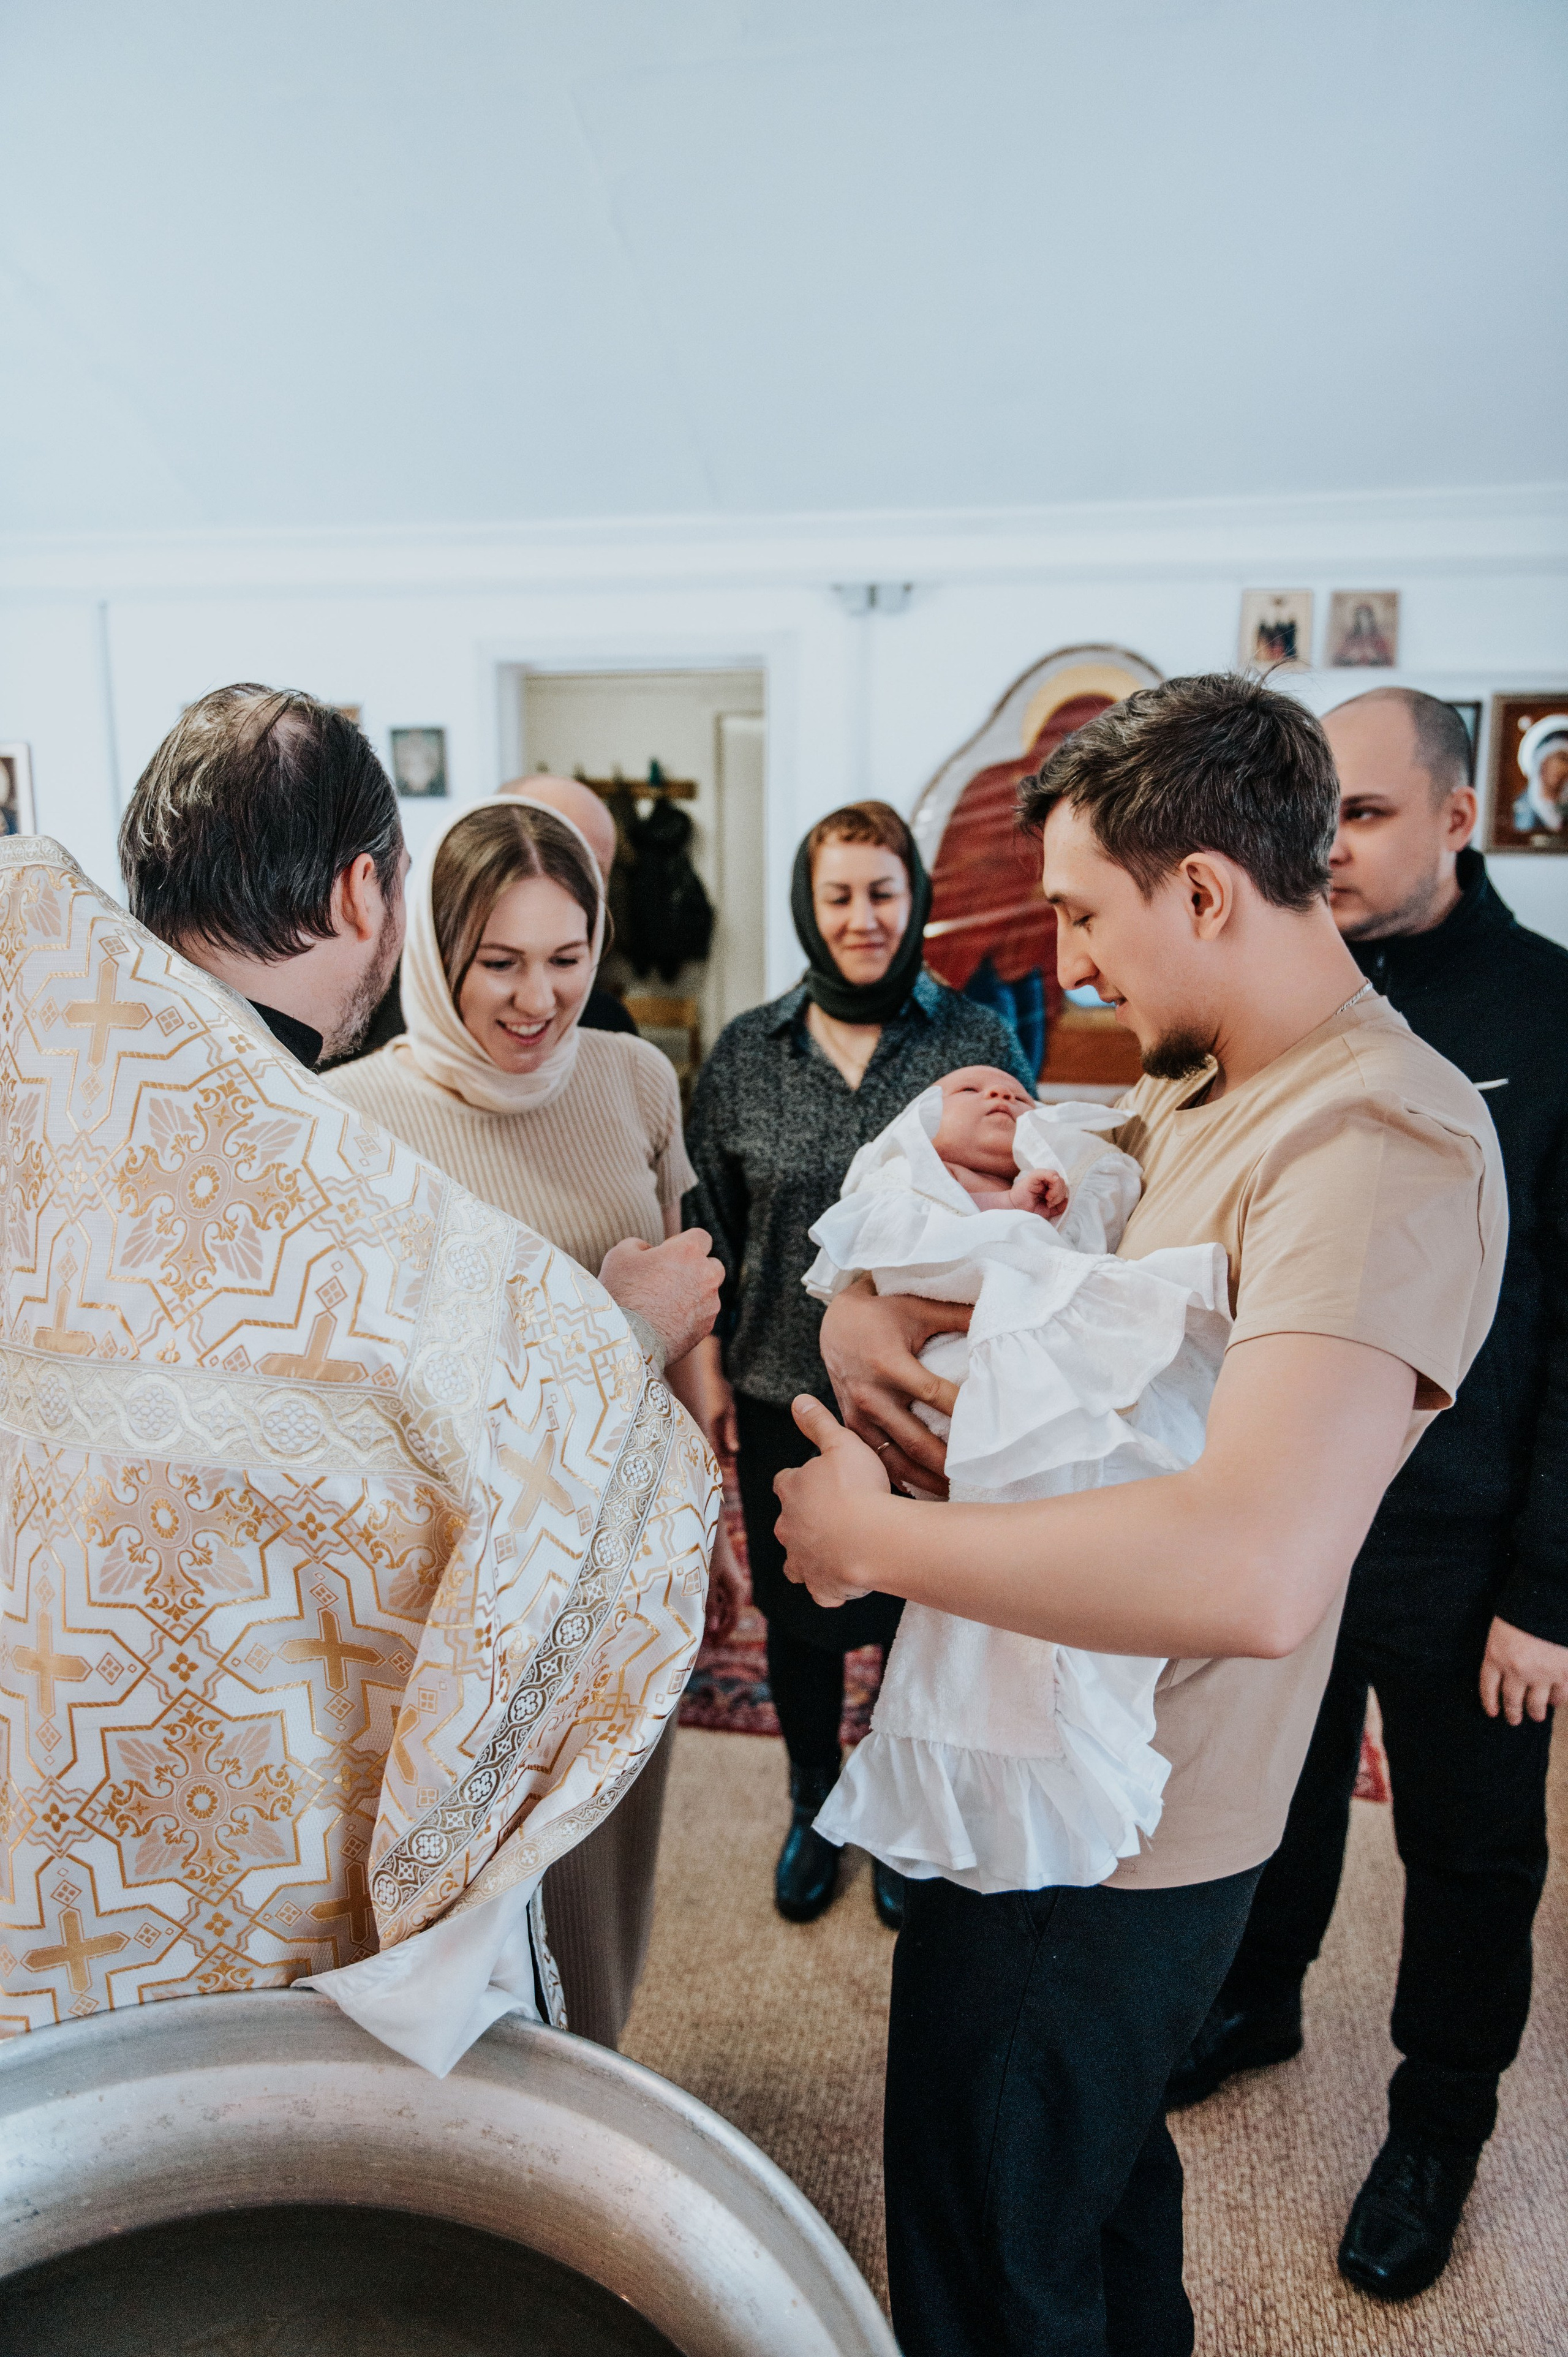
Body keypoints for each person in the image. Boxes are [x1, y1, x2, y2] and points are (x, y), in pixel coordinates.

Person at [771, 676, 1506, 2357]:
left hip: (1125, 1815)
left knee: (991, 2247)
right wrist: (863, 1316)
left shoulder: (1375, 1143)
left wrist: (872, 1543)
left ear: (1203, 891)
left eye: (1087, 915)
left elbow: (1253, 1565)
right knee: (1084, 2201)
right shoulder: (1206, 1079)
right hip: (1056, 1743)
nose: (1076, 964)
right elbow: (1047, 1298)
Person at [4, 690, 718, 2075]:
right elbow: (509, 1450)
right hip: (273, 1847)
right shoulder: (340, 1180)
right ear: (365, 894)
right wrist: (620, 1324)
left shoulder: (46, 1099)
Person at [1167, 686, 1568, 2301]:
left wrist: (1549, 1589)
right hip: (1291, 1502)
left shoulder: (1550, 1014)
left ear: (1461, 819)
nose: (1327, 842)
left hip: (1470, 1540)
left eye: (1370, 813)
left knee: (1471, 1852)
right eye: (1319, 808)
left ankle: (1438, 2120)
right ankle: (1258, 1998)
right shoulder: (1291, 995)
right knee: (1281, 1788)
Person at [325, 794, 724, 2046]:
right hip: (467, 1590)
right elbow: (371, 1391)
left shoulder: (633, 1077)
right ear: (436, 950)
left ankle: (585, 2085)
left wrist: (704, 1497)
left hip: (619, 1556)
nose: (538, 998)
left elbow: (678, 1299)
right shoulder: (350, 1116)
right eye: (499, 962)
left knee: (600, 1885)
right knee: (477, 1905)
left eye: (567, 957)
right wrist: (605, 1325)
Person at [681, 801, 1037, 1929]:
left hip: (930, 1395)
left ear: (913, 895)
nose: (862, 917)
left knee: (915, 1608)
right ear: (808, 905)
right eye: (838, 895)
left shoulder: (975, 1040)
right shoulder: (747, 1052)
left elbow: (1029, 1211)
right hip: (780, 1389)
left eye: (882, 891)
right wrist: (712, 1371)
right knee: (799, 1614)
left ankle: (893, 1805)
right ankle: (813, 1802)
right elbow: (713, 1224)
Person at [804, 1069, 1226, 1897]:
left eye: (1019, 1096)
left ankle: (1061, 1762)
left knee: (1060, 1608)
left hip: (1035, 1419)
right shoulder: (904, 1185)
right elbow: (925, 1258)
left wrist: (1048, 1203)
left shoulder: (1063, 1179)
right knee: (989, 1599)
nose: (1000, 1097)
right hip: (952, 1399)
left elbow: (1084, 1245)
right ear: (917, 1123)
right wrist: (1006, 1219)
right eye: (970, 1090)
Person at [350, 773, 638, 1059]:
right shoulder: (361, 1017)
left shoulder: (613, 1032)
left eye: (589, 870)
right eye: (500, 963)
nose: (537, 1002)